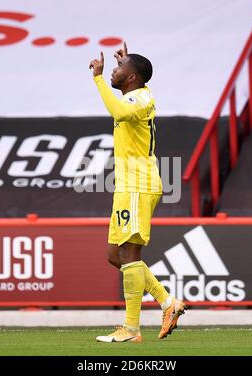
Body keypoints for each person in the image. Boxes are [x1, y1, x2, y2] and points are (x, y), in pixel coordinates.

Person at [89, 43, 187, 343]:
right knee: (114, 255)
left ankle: (131, 329)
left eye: (120, 69)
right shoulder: (136, 94)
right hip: (128, 185)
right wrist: (124, 69)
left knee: (130, 254)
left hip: (138, 184)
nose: (114, 70)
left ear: (132, 78)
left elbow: (118, 109)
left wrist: (99, 78)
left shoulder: (141, 98)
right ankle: (167, 302)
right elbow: (124, 101)